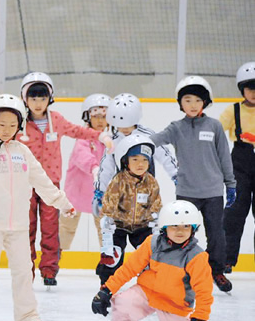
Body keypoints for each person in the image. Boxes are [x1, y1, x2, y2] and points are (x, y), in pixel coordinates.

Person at [0, 94, 75, 321]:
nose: (7, 130)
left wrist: (62, 203)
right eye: (2, 124)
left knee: (24, 272)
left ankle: (28, 317)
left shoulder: (22, 152)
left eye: (12, 125)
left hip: (18, 226)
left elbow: (42, 181)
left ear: (20, 126)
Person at [17, 73, 113, 286]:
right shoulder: (20, 122)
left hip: (51, 183)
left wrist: (99, 136)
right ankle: (27, 269)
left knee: (51, 228)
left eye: (42, 98)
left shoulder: (56, 120)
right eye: (33, 98)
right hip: (26, 183)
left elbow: (76, 131)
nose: (38, 103)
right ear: (25, 99)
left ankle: (49, 270)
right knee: (28, 228)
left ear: (49, 98)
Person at [150, 76, 236, 292]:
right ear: (180, 103)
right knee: (182, 233)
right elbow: (155, 140)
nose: (192, 105)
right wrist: (132, 139)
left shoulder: (214, 126)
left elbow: (224, 157)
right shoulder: (176, 128)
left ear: (205, 103)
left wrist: (231, 184)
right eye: (187, 100)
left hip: (213, 191)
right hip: (187, 192)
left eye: (198, 100)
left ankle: (216, 270)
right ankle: (181, 270)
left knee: (216, 233)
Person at [91, 200, 214, 321]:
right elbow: (129, 268)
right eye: (174, 226)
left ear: (193, 229)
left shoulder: (197, 257)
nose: (180, 231)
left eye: (186, 226)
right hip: (146, 292)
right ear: (164, 228)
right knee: (123, 308)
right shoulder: (152, 243)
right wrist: (106, 290)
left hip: (174, 303)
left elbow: (204, 292)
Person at [93, 93, 178, 217]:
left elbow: (165, 156)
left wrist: (176, 175)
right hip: (122, 192)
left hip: (146, 189)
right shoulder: (114, 141)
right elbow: (106, 167)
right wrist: (100, 192)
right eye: (120, 126)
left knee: (145, 228)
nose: (125, 129)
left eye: (128, 124)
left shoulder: (148, 136)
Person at [98, 134, 162, 284]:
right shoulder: (118, 181)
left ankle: (149, 284)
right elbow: (109, 202)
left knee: (148, 254)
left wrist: (157, 220)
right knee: (113, 256)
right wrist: (108, 221)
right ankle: (106, 284)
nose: (141, 164)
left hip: (142, 226)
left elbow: (156, 202)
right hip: (119, 226)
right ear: (125, 161)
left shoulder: (151, 182)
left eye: (145, 160)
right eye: (135, 159)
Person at [60, 94, 111, 250]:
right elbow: (81, 155)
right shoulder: (83, 138)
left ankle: (108, 256)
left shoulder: (110, 139)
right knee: (66, 227)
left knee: (105, 228)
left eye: (104, 116)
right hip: (77, 191)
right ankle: (57, 255)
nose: (100, 121)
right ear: (87, 117)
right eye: (96, 116)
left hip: (101, 193)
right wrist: (94, 167)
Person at [221, 62, 255, 274]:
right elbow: (216, 130)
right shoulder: (233, 110)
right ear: (242, 89)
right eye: (250, 88)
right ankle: (225, 259)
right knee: (234, 212)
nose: (254, 92)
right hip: (240, 163)